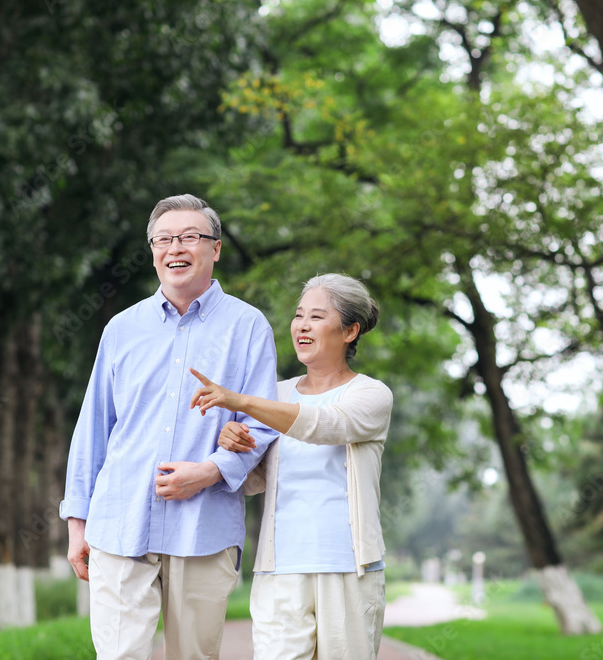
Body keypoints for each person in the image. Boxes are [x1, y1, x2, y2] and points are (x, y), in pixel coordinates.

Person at [59, 194, 280, 660]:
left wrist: (209, 471)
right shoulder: (122, 328)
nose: (174, 248)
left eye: (189, 237)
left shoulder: (248, 327)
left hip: (203, 529)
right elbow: (94, 429)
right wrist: (78, 523)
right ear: (153, 250)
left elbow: (260, 424)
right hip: (120, 523)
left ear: (215, 248)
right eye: (163, 239)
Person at [188, 273, 393, 660]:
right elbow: (254, 482)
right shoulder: (276, 394)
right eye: (299, 315)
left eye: (317, 316)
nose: (302, 325)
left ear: (350, 330)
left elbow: (324, 425)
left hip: (349, 568)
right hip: (279, 568)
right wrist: (236, 443)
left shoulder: (371, 394)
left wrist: (241, 401)